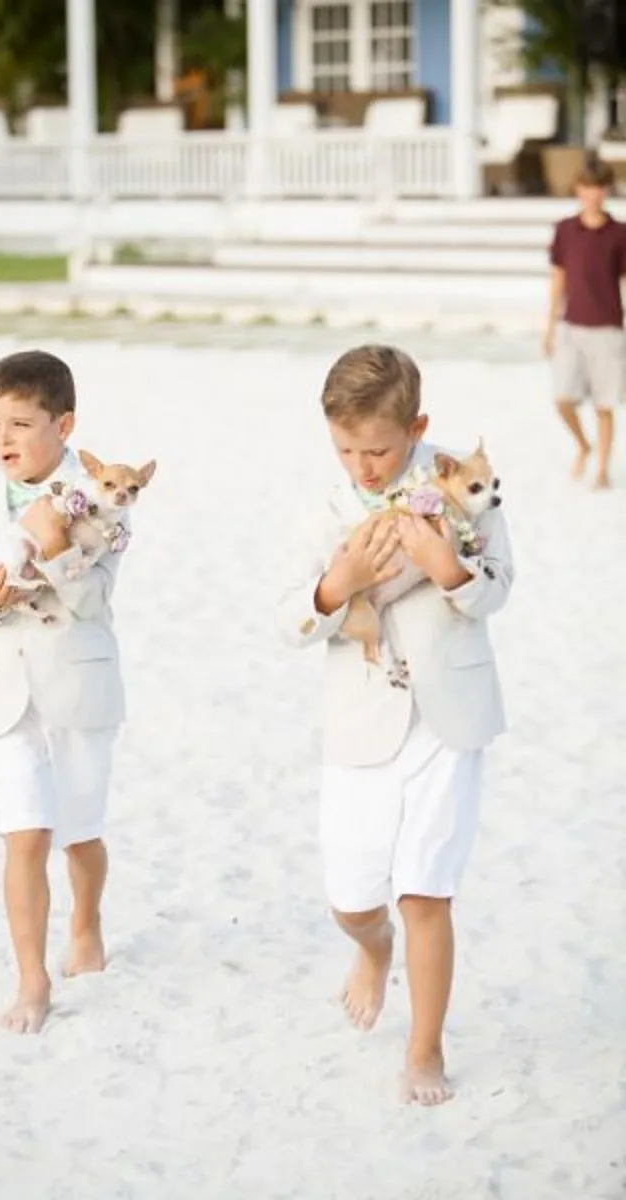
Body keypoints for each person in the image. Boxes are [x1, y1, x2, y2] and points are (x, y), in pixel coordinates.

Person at [277, 345, 513, 1105]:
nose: (363, 466)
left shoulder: (461, 481)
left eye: (378, 450)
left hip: (449, 718)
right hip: (360, 723)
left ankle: (425, 1047)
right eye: (345, 450)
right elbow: (287, 620)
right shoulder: (325, 510)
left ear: (417, 427)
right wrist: (335, 586)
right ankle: (373, 950)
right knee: (353, 900)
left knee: (426, 892)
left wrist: (449, 570)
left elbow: (499, 586)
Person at [0, 349, 126, 1035]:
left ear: (64, 424)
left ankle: (87, 921)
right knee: (23, 833)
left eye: (20, 424)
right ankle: (32, 978)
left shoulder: (103, 493)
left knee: (79, 833)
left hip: (77, 682)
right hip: (5, 689)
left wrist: (53, 549)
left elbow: (95, 598)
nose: (3, 440)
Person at [545, 158, 626, 488]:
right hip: (571, 327)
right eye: (587, 187)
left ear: (606, 191)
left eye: (599, 187)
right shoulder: (565, 230)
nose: (593, 194)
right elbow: (558, 278)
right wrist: (549, 326)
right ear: (578, 189)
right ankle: (583, 445)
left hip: (608, 329)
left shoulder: (620, 233)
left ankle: (602, 469)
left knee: (604, 405)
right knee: (562, 399)